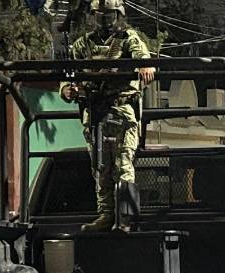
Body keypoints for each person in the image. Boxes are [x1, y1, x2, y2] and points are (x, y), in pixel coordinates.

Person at [60, 0, 156, 232]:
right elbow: (68, 76)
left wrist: (145, 67)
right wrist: (68, 89)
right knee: (100, 167)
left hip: (121, 110)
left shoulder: (128, 38)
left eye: (109, 15)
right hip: (95, 113)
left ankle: (125, 217)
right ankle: (105, 215)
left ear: (118, 15)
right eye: (100, 15)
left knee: (123, 165)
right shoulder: (83, 44)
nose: (104, 20)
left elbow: (144, 59)